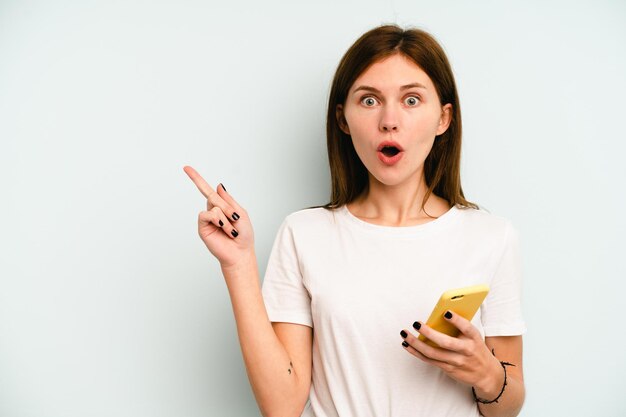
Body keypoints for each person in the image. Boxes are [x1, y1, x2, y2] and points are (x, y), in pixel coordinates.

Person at [183, 24, 526, 417]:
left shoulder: (491, 237)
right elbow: (281, 406)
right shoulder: (304, 234)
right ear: (342, 119)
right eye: (369, 101)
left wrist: (488, 376)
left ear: (444, 118)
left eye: (412, 100)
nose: (389, 120)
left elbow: (507, 405)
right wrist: (238, 263)